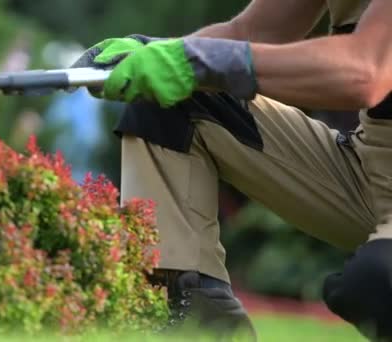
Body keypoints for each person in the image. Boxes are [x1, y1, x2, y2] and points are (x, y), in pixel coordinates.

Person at [72, 0, 392, 340]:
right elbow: (250, 33)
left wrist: (196, 61)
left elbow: (366, 70)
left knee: (380, 284)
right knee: (170, 97)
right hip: (369, 166)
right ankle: (195, 324)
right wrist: (161, 53)